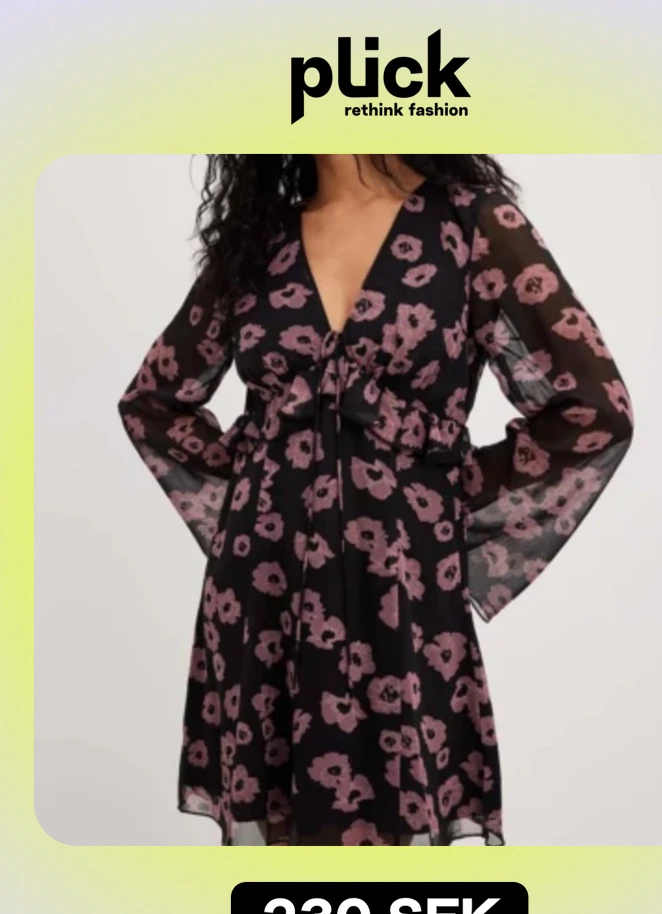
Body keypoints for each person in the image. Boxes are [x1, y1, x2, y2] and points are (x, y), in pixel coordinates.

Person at [116, 154, 635, 846]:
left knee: (400, 838)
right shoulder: (259, 237)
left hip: (403, 585)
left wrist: (442, 496)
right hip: (264, 588)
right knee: (279, 863)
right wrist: (254, 489)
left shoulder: (472, 224)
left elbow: (594, 409)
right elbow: (153, 402)